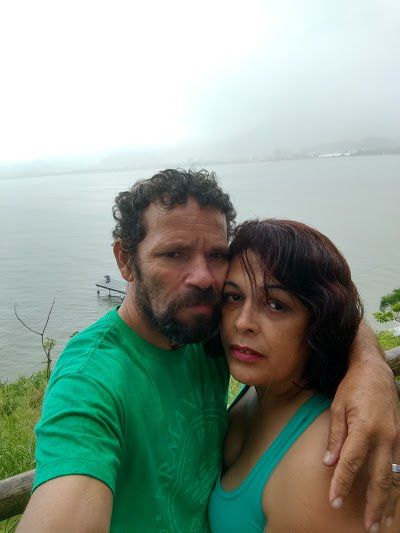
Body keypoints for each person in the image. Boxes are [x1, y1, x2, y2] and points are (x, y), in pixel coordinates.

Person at [17, 170, 400, 532]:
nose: (203, 277)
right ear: (125, 260)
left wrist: (369, 368)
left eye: (216, 255)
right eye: (174, 254)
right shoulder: (89, 381)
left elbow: (317, 304)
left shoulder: (206, 326)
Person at [208, 219, 400, 532]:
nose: (243, 322)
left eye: (275, 305)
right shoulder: (263, 388)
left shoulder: (319, 465)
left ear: (319, 322)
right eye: (234, 297)